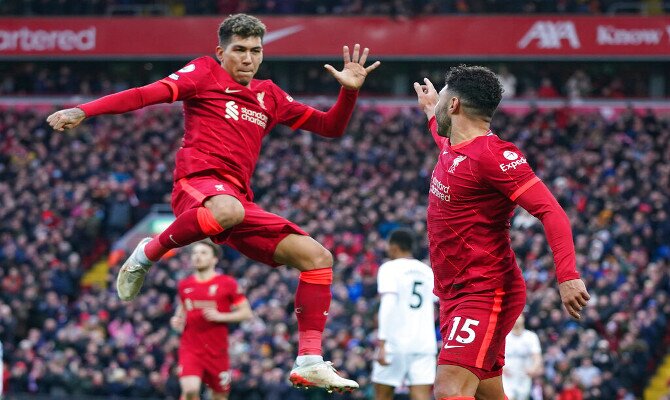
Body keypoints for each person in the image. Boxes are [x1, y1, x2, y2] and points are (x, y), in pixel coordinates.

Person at [46, 13, 380, 392]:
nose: (248, 59)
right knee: (228, 209)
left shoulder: (269, 94)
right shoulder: (203, 73)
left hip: (235, 199)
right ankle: (146, 254)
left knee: (318, 257)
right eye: (239, 50)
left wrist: (349, 91)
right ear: (220, 52)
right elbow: (144, 95)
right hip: (197, 185)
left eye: (256, 51)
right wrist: (84, 110)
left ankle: (309, 360)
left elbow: (330, 127)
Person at [412, 65, 590, 400]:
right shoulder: (454, 145)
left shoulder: (494, 156)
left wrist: (567, 275)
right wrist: (429, 110)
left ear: (454, 106)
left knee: (450, 387)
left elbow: (551, 211)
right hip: (454, 292)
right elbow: (442, 135)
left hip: (486, 291)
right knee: (486, 392)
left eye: (443, 98)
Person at [170, 240, 253, 400]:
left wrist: (221, 316)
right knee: (190, 390)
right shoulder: (184, 285)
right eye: (194, 253)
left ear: (214, 259)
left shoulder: (227, 283)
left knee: (220, 396)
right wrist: (176, 321)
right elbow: (181, 312)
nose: (197, 257)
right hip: (191, 348)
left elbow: (246, 313)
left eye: (203, 253)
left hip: (217, 351)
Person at [372, 228, 436, 400]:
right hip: (424, 343)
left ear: (394, 246)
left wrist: (383, 342)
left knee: (383, 395)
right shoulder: (426, 270)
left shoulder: (389, 268)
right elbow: (437, 302)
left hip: (395, 342)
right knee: (421, 396)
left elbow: (388, 304)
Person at [502, 315, 542, 400]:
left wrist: (533, 369)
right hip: (507, 376)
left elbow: (537, 357)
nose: (517, 319)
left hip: (524, 376)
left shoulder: (531, 336)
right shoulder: (505, 336)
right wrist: (501, 367)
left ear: (523, 319)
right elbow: (495, 355)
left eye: (519, 316)